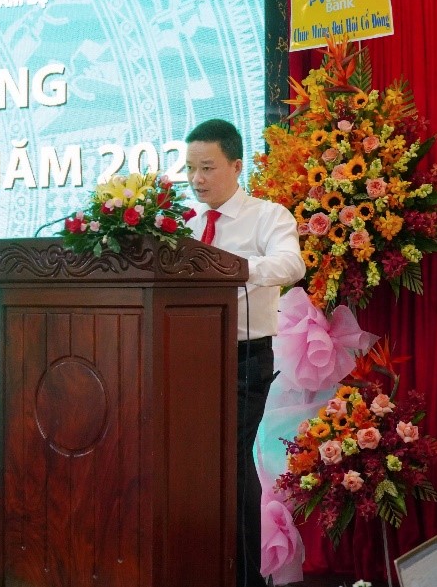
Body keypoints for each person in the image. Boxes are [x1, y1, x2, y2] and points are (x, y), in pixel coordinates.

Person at [184, 118, 306, 587]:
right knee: (194, 466)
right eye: (190, 168)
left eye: (207, 167)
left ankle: (246, 578)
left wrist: (229, 269)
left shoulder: (267, 215)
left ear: (236, 166)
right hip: (186, 357)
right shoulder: (185, 224)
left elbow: (291, 265)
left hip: (244, 358)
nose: (196, 179)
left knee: (230, 462)